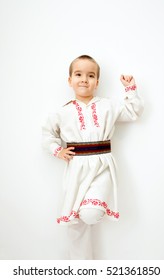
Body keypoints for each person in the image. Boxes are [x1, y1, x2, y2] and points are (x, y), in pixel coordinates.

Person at [42, 55, 144, 259]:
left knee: (88, 213)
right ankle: (82, 266)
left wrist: (130, 89)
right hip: (76, 169)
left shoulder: (107, 106)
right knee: (75, 221)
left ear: (97, 82)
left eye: (90, 76)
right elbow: (47, 135)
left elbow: (133, 112)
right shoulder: (62, 112)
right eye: (78, 74)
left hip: (101, 165)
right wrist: (57, 150)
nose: (84, 79)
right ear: (69, 80)